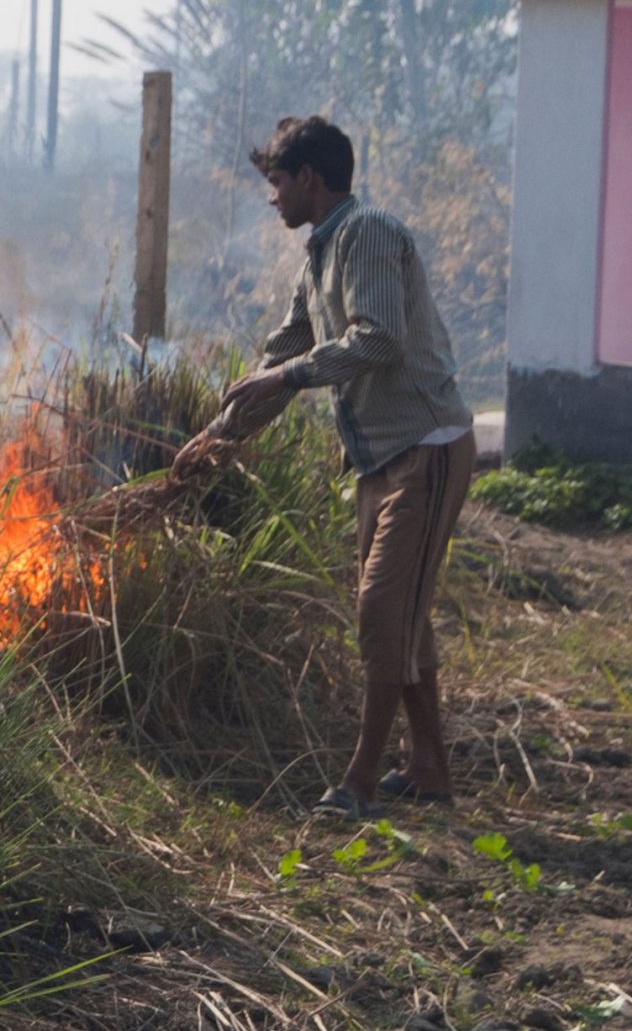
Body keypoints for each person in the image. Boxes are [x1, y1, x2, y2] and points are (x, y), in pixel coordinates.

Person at [171, 116, 475, 819]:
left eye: (277, 182)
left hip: (425, 451)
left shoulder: (367, 232)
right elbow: (283, 357)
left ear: (309, 178)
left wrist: (285, 381)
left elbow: (377, 340)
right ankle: (429, 768)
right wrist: (214, 440)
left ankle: (358, 783)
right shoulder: (319, 254)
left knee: (380, 615)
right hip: (383, 462)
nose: (271, 197)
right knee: (404, 619)